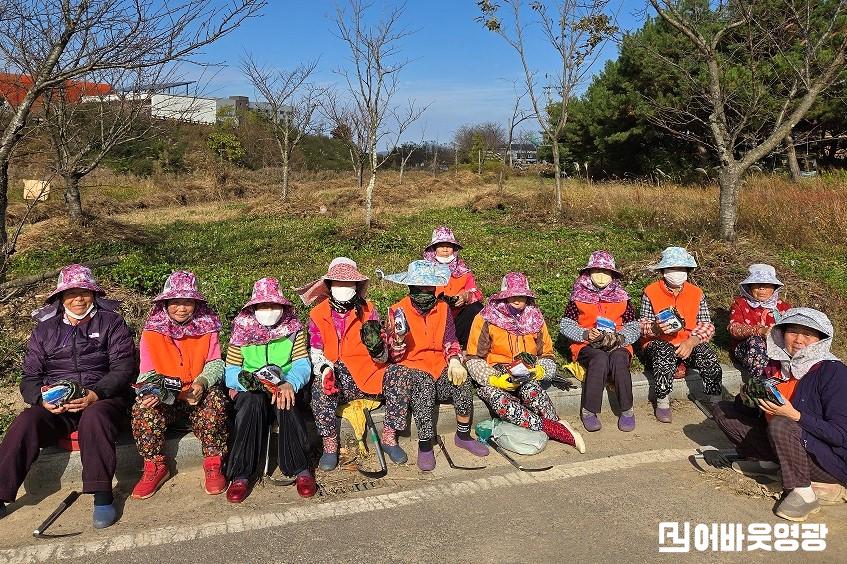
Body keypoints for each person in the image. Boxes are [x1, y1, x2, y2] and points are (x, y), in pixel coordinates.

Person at [0, 265, 135, 529]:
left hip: (103, 399)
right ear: (61, 298)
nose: (78, 299)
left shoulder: (112, 322)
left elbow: (123, 367)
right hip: (59, 406)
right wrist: (41, 399)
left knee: (95, 417)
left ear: (93, 294)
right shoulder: (44, 330)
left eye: (84, 292)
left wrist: (96, 394)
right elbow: (30, 377)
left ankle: (102, 495)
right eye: (71, 293)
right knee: (26, 421)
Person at [712, 308, 847, 522]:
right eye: (792, 332)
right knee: (723, 410)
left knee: (782, 423)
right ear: (781, 334)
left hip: (827, 461)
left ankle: (803, 492)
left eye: (808, 334)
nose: (799, 340)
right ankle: (771, 463)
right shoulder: (777, 363)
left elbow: (840, 436)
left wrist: (795, 415)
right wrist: (747, 399)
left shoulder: (834, 372)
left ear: (821, 340)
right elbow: (761, 411)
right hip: (785, 442)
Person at [300, 257, 409, 471]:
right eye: (338, 282)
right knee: (320, 386)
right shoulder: (317, 314)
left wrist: (378, 349)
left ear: (356, 285)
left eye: (348, 282)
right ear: (329, 285)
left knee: (399, 373)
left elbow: (382, 357)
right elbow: (316, 351)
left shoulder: (369, 310)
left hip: (368, 374)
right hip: (336, 376)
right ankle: (330, 444)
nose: (343, 287)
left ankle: (389, 437)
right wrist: (324, 369)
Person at [382, 260, 489, 471]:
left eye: (429, 286)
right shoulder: (397, 310)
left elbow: (450, 339)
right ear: (410, 286)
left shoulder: (442, 308)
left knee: (462, 380)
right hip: (413, 366)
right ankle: (425, 444)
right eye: (419, 286)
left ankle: (463, 435)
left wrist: (455, 360)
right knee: (423, 386)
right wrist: (399, 341)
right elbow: (394, 356)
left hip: (439, 365)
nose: (425, 291)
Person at [130, 271, 228, 499]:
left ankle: (213, 462)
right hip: (166, 395)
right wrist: (166, 392)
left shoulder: (208, 327)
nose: (181, 308)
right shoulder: (152, 331)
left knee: (215, 400)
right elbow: (147, 373)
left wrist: (202, 382)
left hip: (197, 392)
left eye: (188, 302)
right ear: (165, 304)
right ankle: (154, 465)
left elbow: (215, 363)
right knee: (143, 408)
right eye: (175, 302)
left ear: (196, 303)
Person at [467, 272, 585, 453]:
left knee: (533, 392)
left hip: (526, 372)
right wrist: (493, 379)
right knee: (501, 402)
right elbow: (474, 358)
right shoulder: (486, 318)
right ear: (504, 296)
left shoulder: (535, 317)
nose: (517, 300)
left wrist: (540, 371)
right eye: (512, 295)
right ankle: (559, 429)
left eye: (521, 296)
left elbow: (547, 354)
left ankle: (555, 423)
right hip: (495, 374)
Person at [224, 277, 316, 502]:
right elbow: (231, 369)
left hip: (284, 382)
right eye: (263, 305)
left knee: (287, 400)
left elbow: (302, 363)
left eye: (274, 305)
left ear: (282, 307)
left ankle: (301, 468)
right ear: (254, 307)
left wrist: (290, 382)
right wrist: (248, 381)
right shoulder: (241, 330)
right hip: (252, 386)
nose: (269, 310)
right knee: (251, 403)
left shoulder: (293, 328)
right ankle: (241, 474)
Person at [639, 247, 722, 423]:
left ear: (687, 271)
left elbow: (706, 324)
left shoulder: (696, 293)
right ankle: (662, 402)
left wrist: (692, 341)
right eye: (672, 268)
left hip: (688, 343)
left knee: (709, 356)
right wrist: (655, 328)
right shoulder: (650, 291)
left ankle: (716, 402)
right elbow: (642, 324)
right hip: (659, 342)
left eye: (681, 268)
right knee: (662, 353)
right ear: (663, 271)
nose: (677, 272)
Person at [559, 251, 640, 432]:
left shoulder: (622, 297)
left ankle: (627, 410)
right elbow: (565, 325)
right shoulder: (578, 297)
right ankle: (589, 411)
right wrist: (585, 334)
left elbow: (633, 326)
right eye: (597, 271)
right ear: (588, 273)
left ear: (613, 275)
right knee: (599, 359)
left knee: (619, 359)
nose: (602, 276)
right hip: (587, 345)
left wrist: (620, 338)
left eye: (606, 272)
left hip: (618, 343)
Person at [421, 226, 484, 348]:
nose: (445, 249)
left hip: (458, 317)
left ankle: (464, 345)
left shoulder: (463, 270)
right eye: (441, 245)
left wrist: (465, 297)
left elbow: (477, 293)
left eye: (449, 246)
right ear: (434, 249)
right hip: (435, 317)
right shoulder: (425, 270)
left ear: (454, 249)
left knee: (476, 308)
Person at [728, 264, 790, 379]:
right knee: (755, 342)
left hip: (776, 349)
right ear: (749, 287)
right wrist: (759, 331)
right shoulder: (740, 304)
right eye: (757, 285)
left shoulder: (782, 307)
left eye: (767, 285)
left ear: (774, 288)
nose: (762, 288)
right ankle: (760, 382)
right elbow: (734, 328)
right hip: (748, 348)